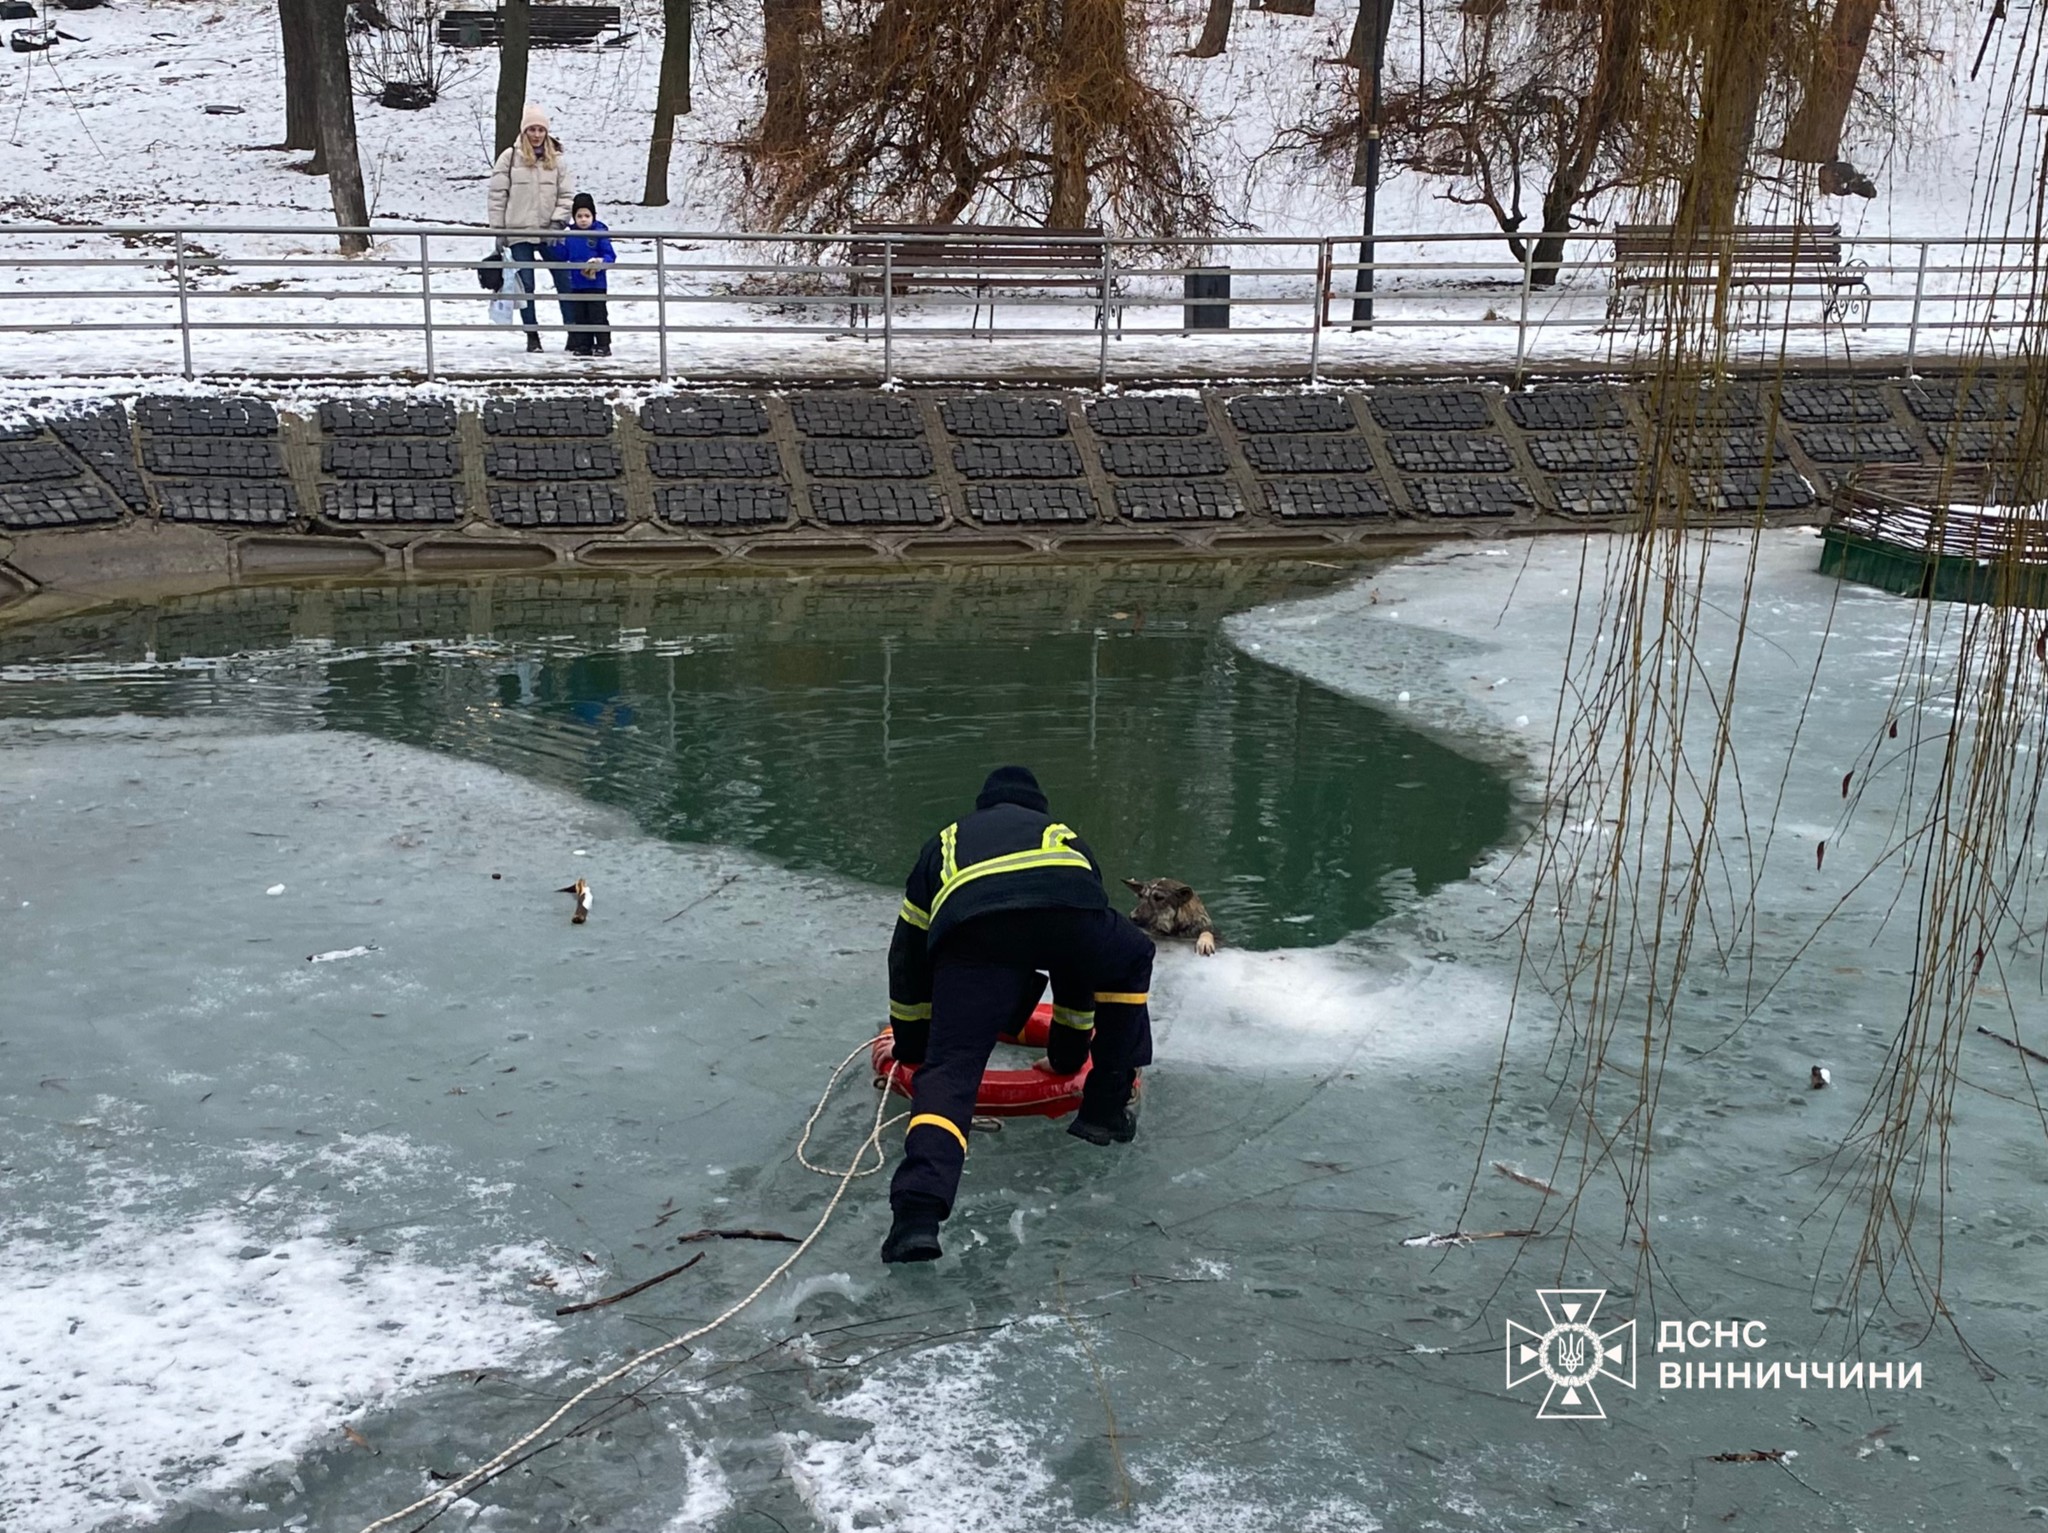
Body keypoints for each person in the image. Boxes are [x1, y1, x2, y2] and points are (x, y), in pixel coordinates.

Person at [881, 765, 1154, 1264]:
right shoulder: (1062, 835)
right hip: (1066, 916)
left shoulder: (947, 838)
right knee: (1130, 955)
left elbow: (908, 955)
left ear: (984, 805)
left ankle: (916, 1219)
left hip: (976, 935)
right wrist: (1070, 1055)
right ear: (1039, 806)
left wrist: (916, 1046)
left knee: (953, 1070)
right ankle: (1104, 1111)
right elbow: (1079, 961)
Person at [487, 103, 575, 353]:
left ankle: (573, 331)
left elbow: (566, 194)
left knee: (564, 281)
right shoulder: (509, 157)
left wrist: (559, 221)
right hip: (518, 232)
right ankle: (532, 335)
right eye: (532, 129)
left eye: (540, 129)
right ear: (524, 131)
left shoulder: (558, 161)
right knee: (526, 285)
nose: (536, 134)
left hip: (551, 231)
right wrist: (499, 231)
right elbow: (497, 196)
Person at [551, 192, 616, 357]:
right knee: (580, 315)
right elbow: (562, 255)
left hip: (596, 284)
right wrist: (554, 243)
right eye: (579, 216)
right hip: (576, 283)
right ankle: (583, 345)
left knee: (598, 315)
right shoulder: (571, 235)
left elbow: (610, 255)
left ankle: (603, 344)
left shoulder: (599, 233)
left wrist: (600, 262)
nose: (583, 219)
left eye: (587, 215)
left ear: (593, 216)